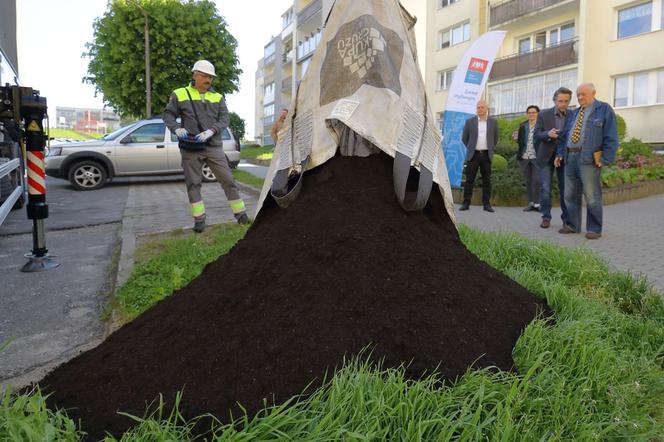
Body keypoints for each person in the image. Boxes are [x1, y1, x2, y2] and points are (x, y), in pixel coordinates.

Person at [164, 60, 250, 233]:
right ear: (194, 74)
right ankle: (199, 220)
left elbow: (224, 119)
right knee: (193, 184)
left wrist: (212, 131)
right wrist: (176, 129)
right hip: (190, 147)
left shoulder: (218, 97)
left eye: (210, 76)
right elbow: (168, 115)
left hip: (214, 146)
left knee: (228, 180)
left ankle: (241, 215)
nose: (208, 79)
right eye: (204, 75)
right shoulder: (179, 94)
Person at [554, 83, 618, 239]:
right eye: (578, 95)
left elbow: (611, 137)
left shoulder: (603, 109)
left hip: (588, 159)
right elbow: (563, 137)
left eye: (584, 94)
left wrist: (605, 158)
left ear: (593, 93)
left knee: (592, 196)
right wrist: (560, 154)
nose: (580, 97)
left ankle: (594, 229)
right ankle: (572, 225)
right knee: (569, 194)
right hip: (570, 158)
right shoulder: (574, 113)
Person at [535, 87, 572, 229]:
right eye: (560, 101)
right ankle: (546, 217)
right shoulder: (544, 115)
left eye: (566, 101)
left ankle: (566, 219)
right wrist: (548, 134)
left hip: (564, 157)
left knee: (565, 189)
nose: (563, 104)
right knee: (545, 188)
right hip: (545, 158)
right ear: (555, 100)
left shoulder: (572, 115)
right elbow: (536, 134)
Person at [460, 99, 499, 212]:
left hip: (486, 155)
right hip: (473, 155)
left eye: (482, 107)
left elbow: (495, 138)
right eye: (478, 107)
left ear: (487, 109)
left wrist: (490, 148)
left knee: (487, 180)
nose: (480, 109)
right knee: (469, 180)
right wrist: (471, 147)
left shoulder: (493, 122)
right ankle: (466, 203)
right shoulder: (470, 122)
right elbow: (464, 138)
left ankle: (486, 204)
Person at [516, 105, 541, 212]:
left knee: (536, 180)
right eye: (530, 112)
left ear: (537, 114)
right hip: (524, 156)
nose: (531, 114)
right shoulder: (523, 125)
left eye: (534, 112)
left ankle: (537, 204)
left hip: (537, 156)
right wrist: (516, 138)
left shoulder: (541, 125)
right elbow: (520, 141)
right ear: (527, 114)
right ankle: (531, 203)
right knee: (528, 181)